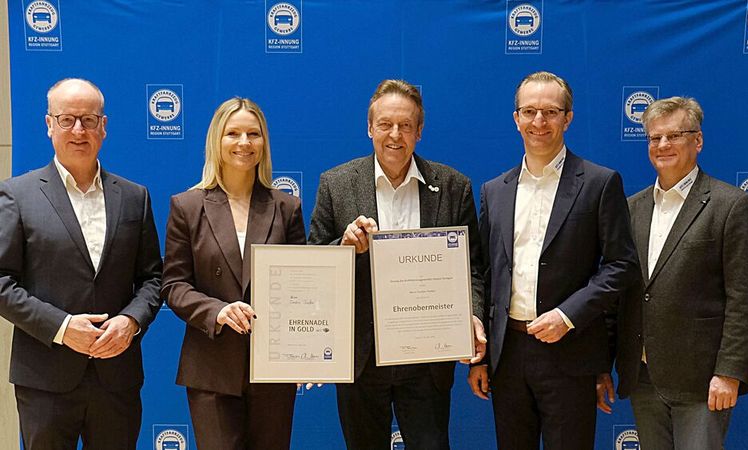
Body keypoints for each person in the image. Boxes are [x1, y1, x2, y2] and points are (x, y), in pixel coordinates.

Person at [308, 79, 485, 450]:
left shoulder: (454, 186)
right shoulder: (336, 184)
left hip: (428, 358)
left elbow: (471, 268)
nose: (394, 135)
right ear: (369, 128)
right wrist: (344, 247)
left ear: (419, 131)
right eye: (385, 124)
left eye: (405, 125)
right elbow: (315, 268)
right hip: (360, 357)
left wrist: (472, 316)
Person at [467, 71, 638, 449]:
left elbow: (621, 265)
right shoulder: (494, 191)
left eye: (550, 111)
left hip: (571, 352)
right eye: (529, 111)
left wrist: (567, 315)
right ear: (516, 119)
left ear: (568, 118)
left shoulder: (599, 183)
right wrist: (479, 358)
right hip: (507, 355)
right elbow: (485, 273)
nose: (539, 121)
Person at [0, 78, 163, 449]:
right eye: (67, 119)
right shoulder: (16, 195)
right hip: (45, 378)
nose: (78, 130)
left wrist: (131, 321)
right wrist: (62, 327)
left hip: (116, 378)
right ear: (49, 124)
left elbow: (153, 279)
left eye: (89, 120)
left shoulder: (134, 197)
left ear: (103, 126)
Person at [614, 96, 748, 449]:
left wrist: (729, 372)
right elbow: (624, 291)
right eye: (655, 137)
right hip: (643, 377)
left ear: (697, 141)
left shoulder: (732, 206)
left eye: (674, 135)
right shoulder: (632, 208)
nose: (663, 145)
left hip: (703, 381)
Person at [161, 97, 305, 450]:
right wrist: (218, 311)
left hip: (273, 370)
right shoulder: (187, 206)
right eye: (233, 133)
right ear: (217, 140)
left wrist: (308, 351)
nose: (244, 142)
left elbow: (301, 289)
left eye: (253, 134)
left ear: (264, 142)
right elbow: (174, 285)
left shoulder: (287, 208)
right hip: (211, 368)